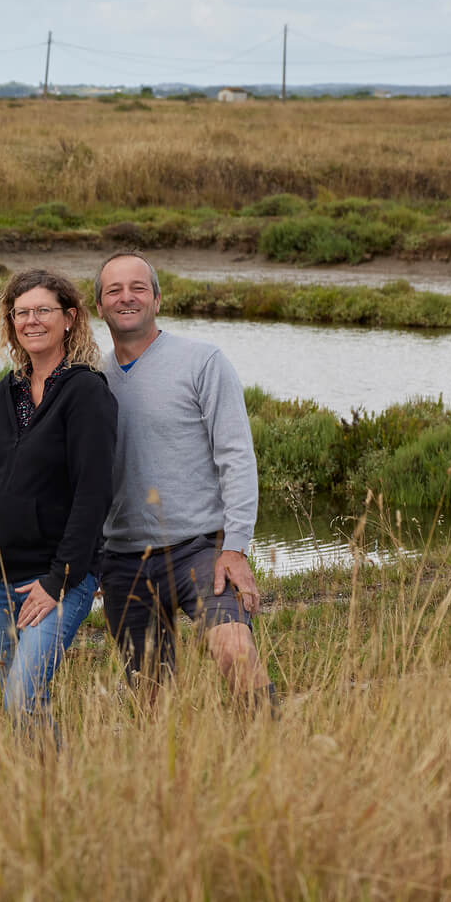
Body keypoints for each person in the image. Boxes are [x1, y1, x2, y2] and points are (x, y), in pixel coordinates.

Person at [93, 250, 274, 706]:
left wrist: (235, 547)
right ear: (99, 306)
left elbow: (236, 457)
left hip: (201, 548)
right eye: (114, 290)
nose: (126, 297)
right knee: (150, 693)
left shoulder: (202, 361)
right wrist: (89, 554)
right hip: (123, 560)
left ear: (157, 300)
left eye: (138, 288)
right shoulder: (91, 380)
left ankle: (272, 745)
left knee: (235, 652)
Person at [0, 268, 117, 732]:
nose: (31, 321)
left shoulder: (87, 392)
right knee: (24, 706)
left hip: (54, 579)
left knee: (23, 696)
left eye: (43, 310)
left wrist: (58, 580)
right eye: (21, 312)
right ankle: (45, 777)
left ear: (70, 318)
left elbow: (93, 495)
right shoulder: (5, 391)